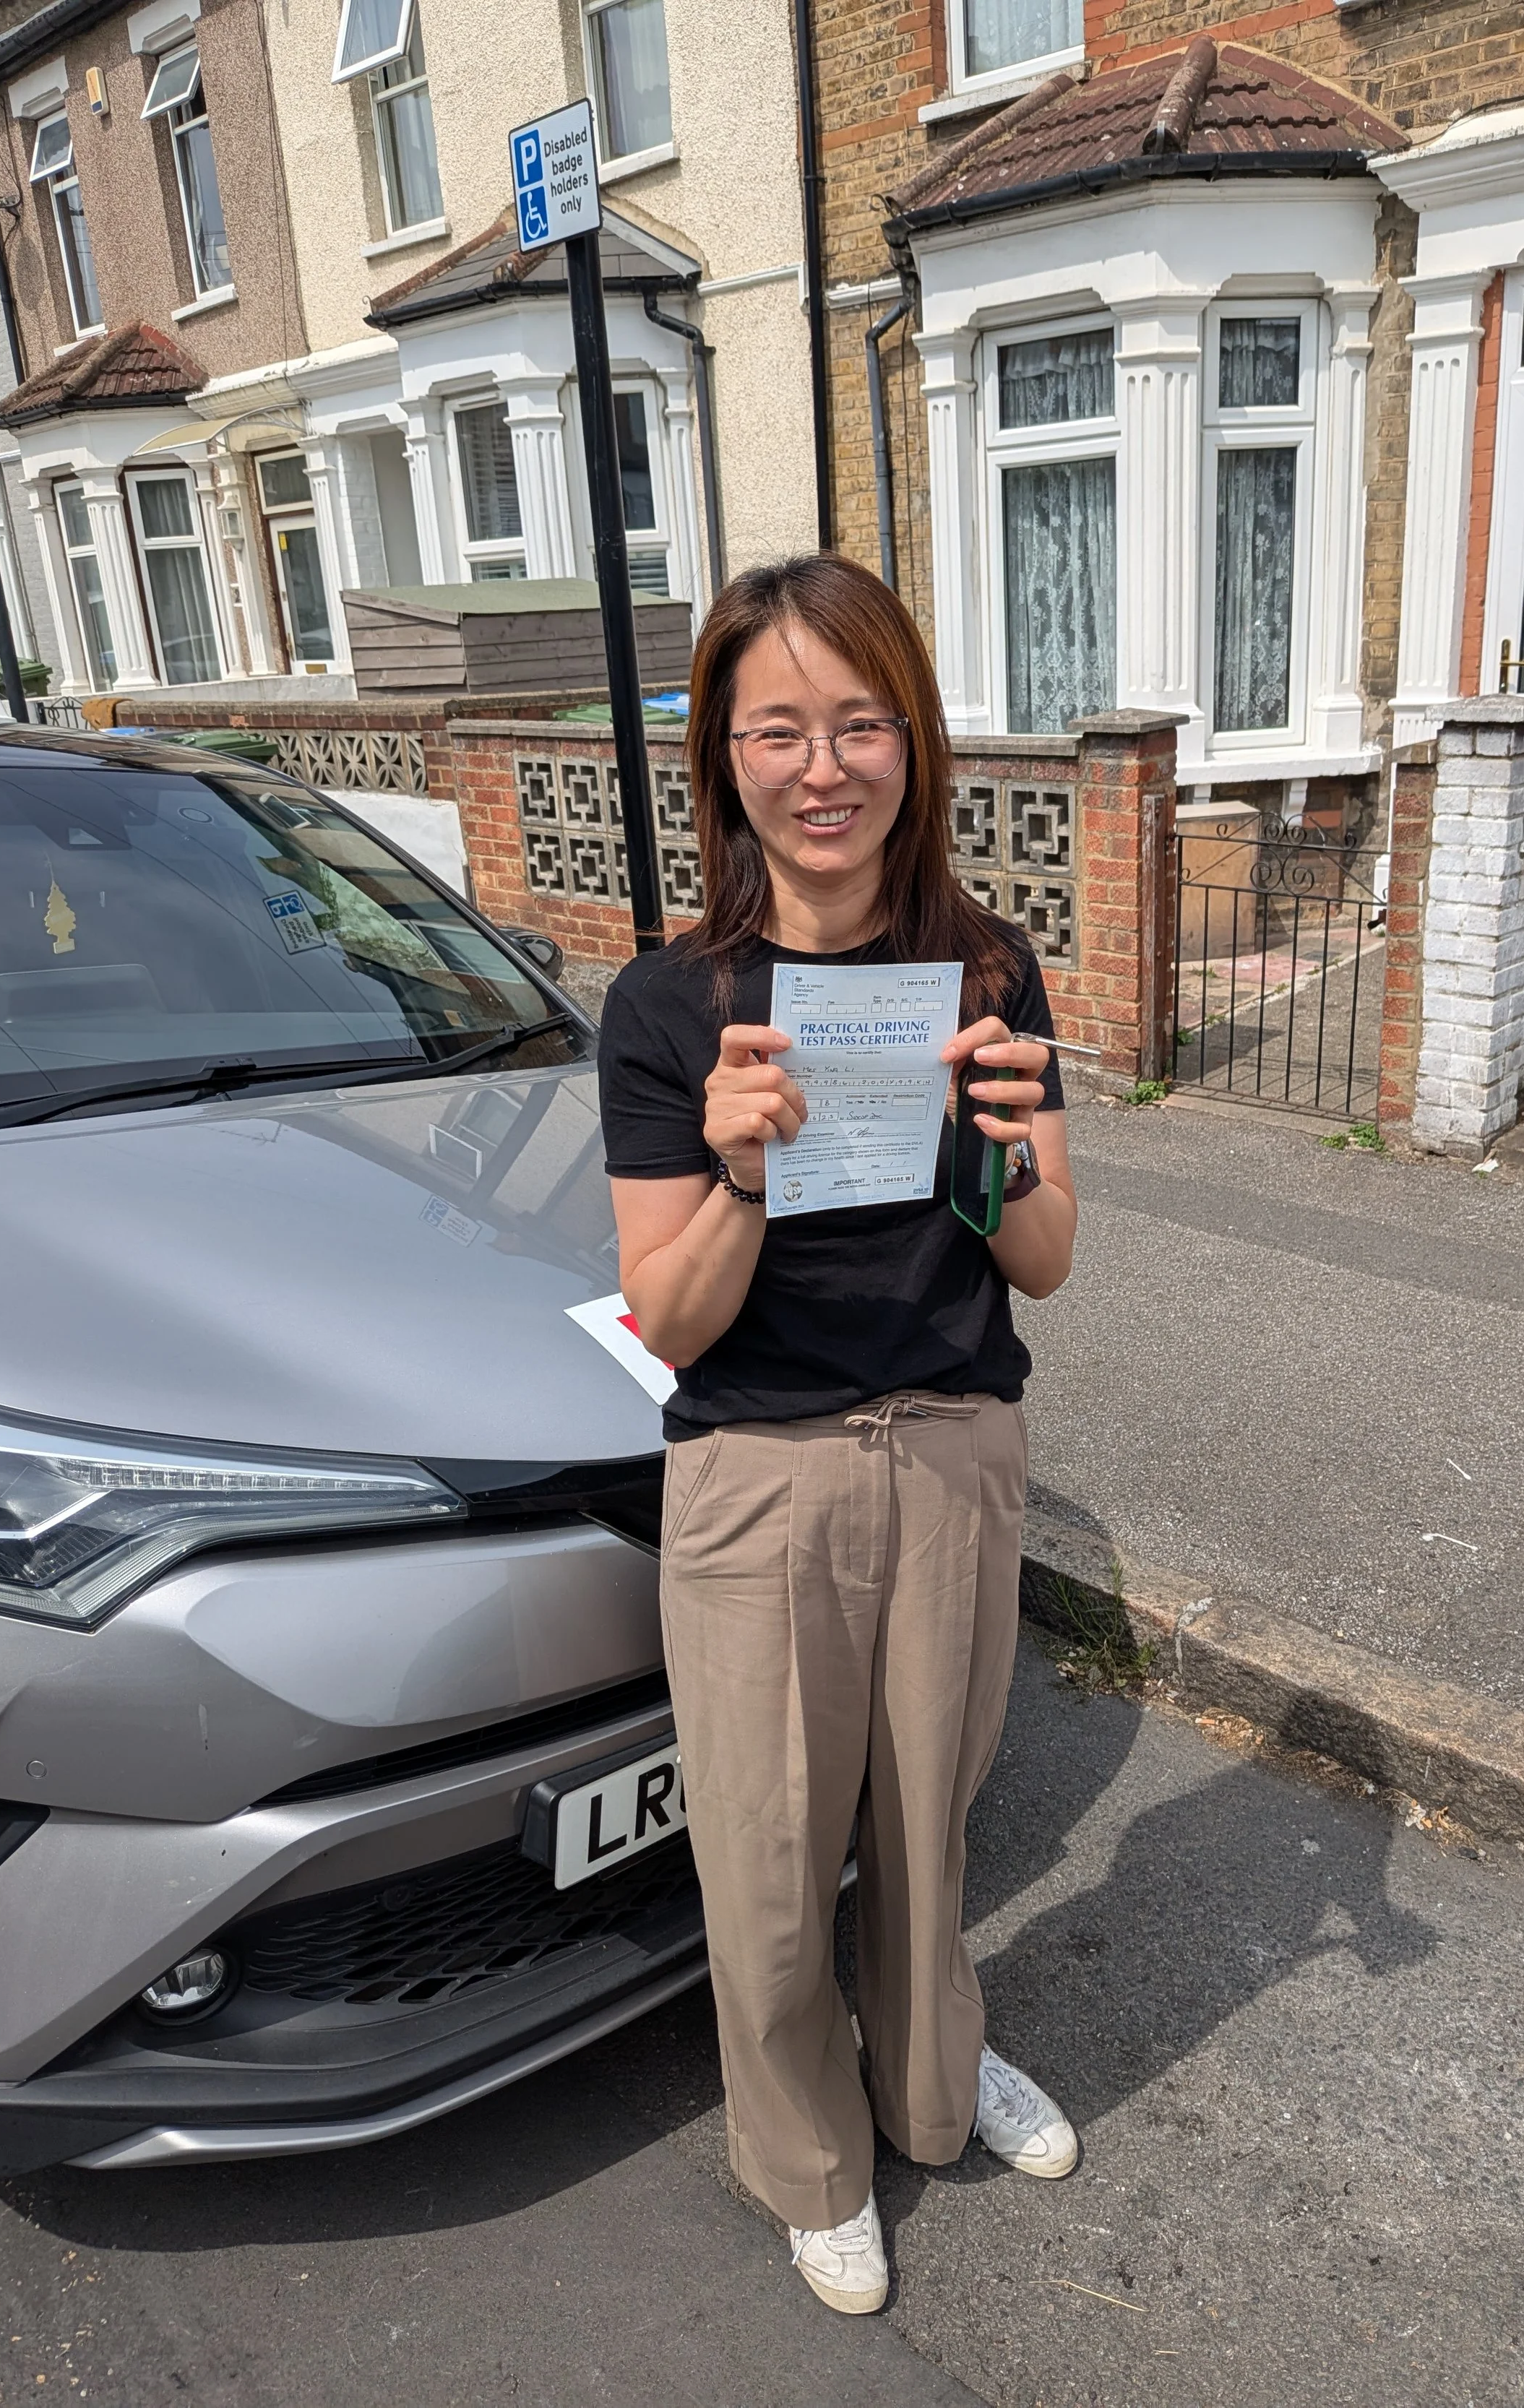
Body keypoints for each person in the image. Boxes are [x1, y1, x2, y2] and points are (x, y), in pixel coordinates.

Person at [596, 553, 1078, 2316]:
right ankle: (807, 2156)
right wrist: (736, 1175)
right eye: (777, 727)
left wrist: (1004, 1143)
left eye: (859, 721)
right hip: (761, 1474)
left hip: (953, 1446)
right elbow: (669, 1318)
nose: (823, 765)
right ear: (724, 755)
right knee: (775, 1859)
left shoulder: (984, 963)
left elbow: (1045, 1258)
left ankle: (932, 2081)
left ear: (912, 740)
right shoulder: (668, 1007)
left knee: (932, 1825)